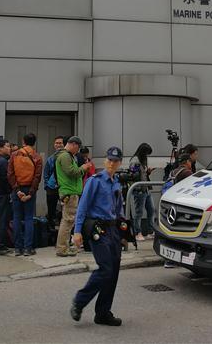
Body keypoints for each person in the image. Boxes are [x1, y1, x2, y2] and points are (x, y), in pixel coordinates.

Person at [70, 147, 125, 327]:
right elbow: (83, 206)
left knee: (113, 271)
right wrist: (77, 231)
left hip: (113, 230)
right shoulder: (95, 181)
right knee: (106, 269)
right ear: (104, 161)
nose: (111, 164)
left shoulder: (117, 182)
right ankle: (80, 301)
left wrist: (123, 234)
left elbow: (119, 210)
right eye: (109, 160)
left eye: (115, 161)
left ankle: (103, 313)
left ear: (119, 163)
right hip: (98, 229)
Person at [7, 132, 43, 256]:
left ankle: (18, 248)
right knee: (28, 218)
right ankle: (28, 248)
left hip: (17, 190)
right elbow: (37, 177)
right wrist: (31, 193)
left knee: (16, 218)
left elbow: (10, 174)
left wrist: (17, 190)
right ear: (34, 142)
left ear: (23, 141)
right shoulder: (37, 157)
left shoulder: (14, 155)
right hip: (29, 189)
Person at [55, 136, 86, 256]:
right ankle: (62, 248)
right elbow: (71, 172)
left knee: (68, 220)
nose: (78, 151)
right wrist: (83, 169)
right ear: (73, 144)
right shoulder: (65, 156)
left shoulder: (65, 156)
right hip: (69, 192)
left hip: (70, 191)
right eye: (77, 148)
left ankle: (64, 246)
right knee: (68, 221)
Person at [129, 143, 155, 241]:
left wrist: (147, 172)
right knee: (139, 212)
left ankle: (150, 231)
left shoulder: (143, 160)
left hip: (146, 188)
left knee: (151, 209)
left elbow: (142, 174)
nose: (147, 156)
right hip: (139, 189)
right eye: (147, 153)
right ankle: (137, 232)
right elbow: (133, 175)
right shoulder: (135, 161)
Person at [43, 136, 65, 232]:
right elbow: (46, 173)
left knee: (65, 210)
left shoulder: (68, 157)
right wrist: (47, 185)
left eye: (60, 143)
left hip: (64, 187)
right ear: (54, 145)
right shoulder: (50, 159)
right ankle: (50, 230)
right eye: (57, 143)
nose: (58, 144)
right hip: (51, 187)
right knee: (51, 210)